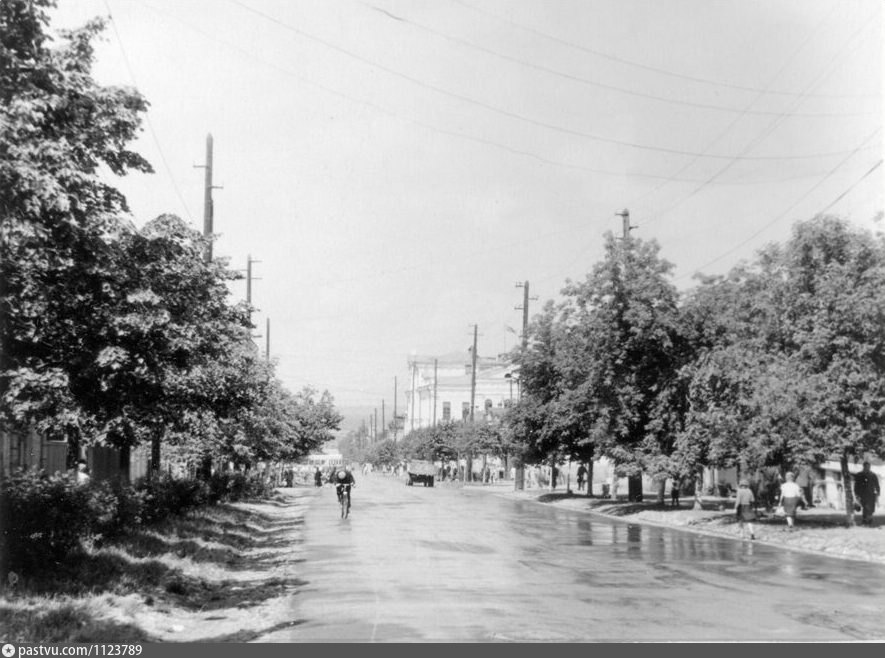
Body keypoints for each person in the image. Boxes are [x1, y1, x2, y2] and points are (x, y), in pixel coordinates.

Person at [854, 461, 880, 527]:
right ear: (863, 466)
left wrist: (878, 492)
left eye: (868, 466)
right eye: (866, 466)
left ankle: (869, 520)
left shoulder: (873, 475)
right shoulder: (859, 475)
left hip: (871, 494)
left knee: (870, 508)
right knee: (864, 507)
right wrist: (856, 494)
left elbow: (877, 484)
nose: (867, 468)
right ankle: (865, 520)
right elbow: (856, 485)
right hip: (862, 494)